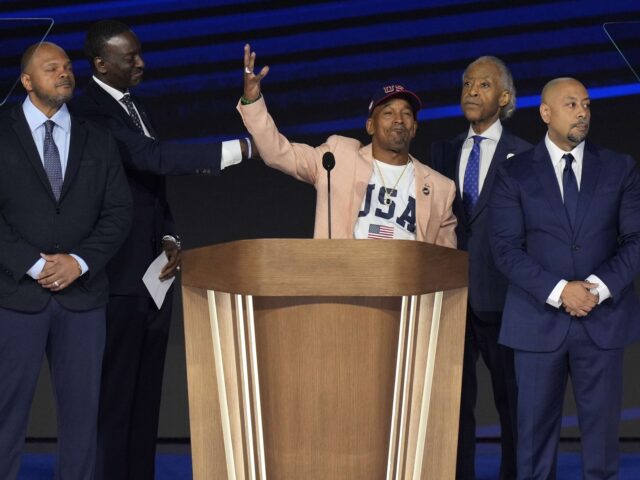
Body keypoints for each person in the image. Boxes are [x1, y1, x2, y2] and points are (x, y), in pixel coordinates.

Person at [69, 20, 254, 480]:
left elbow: (151, 185)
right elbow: (152, 158)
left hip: (154, 273)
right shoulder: (91, 112)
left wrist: (170, 236)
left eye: (139, 54)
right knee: (116, 400)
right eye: (130, 57)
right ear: (101, 64)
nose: (141, 63)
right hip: (117, 277)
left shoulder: (133, 106)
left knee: (145, 395)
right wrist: (239, 150)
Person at [490, 77, 640, 479]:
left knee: (603, 449)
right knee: (534, 451)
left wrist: (594, 289)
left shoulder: (619, 167)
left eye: (587, 104)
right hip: (537, 323)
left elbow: (635, 239)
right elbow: (505, 249)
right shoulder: (514, 173)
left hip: (602, 319)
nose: (583, 112)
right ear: (545, 113)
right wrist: (560, 292)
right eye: (571, 104)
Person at [0, 42, 132, 480]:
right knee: (5, 418)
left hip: (84, 299)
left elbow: (119, 212)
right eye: (50, 67)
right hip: (14, 295)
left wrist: (78, 261)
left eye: (67, 66)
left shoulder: (99, 137)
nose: (64, 72)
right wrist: (33, 264)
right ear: (26, 81)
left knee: (82, 421)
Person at [237, 44, 457, 246]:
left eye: (406, 114)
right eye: (388, 113)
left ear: (415, 127)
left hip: (404, 286)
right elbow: (278, 152)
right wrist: (252, 100)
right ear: (370, 126)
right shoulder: (338, 156)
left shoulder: (440, 188)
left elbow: (445, 265)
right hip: (345, 283)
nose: (399, 119)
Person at [429, 56, 531, 480]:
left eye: (483, 84)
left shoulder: (526, 156)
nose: (471, 90)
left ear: (504, 97)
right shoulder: (442, 151)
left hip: (506, 302)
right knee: (453, 408)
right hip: (452, 300)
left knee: (513, 407)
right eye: (467, 82)